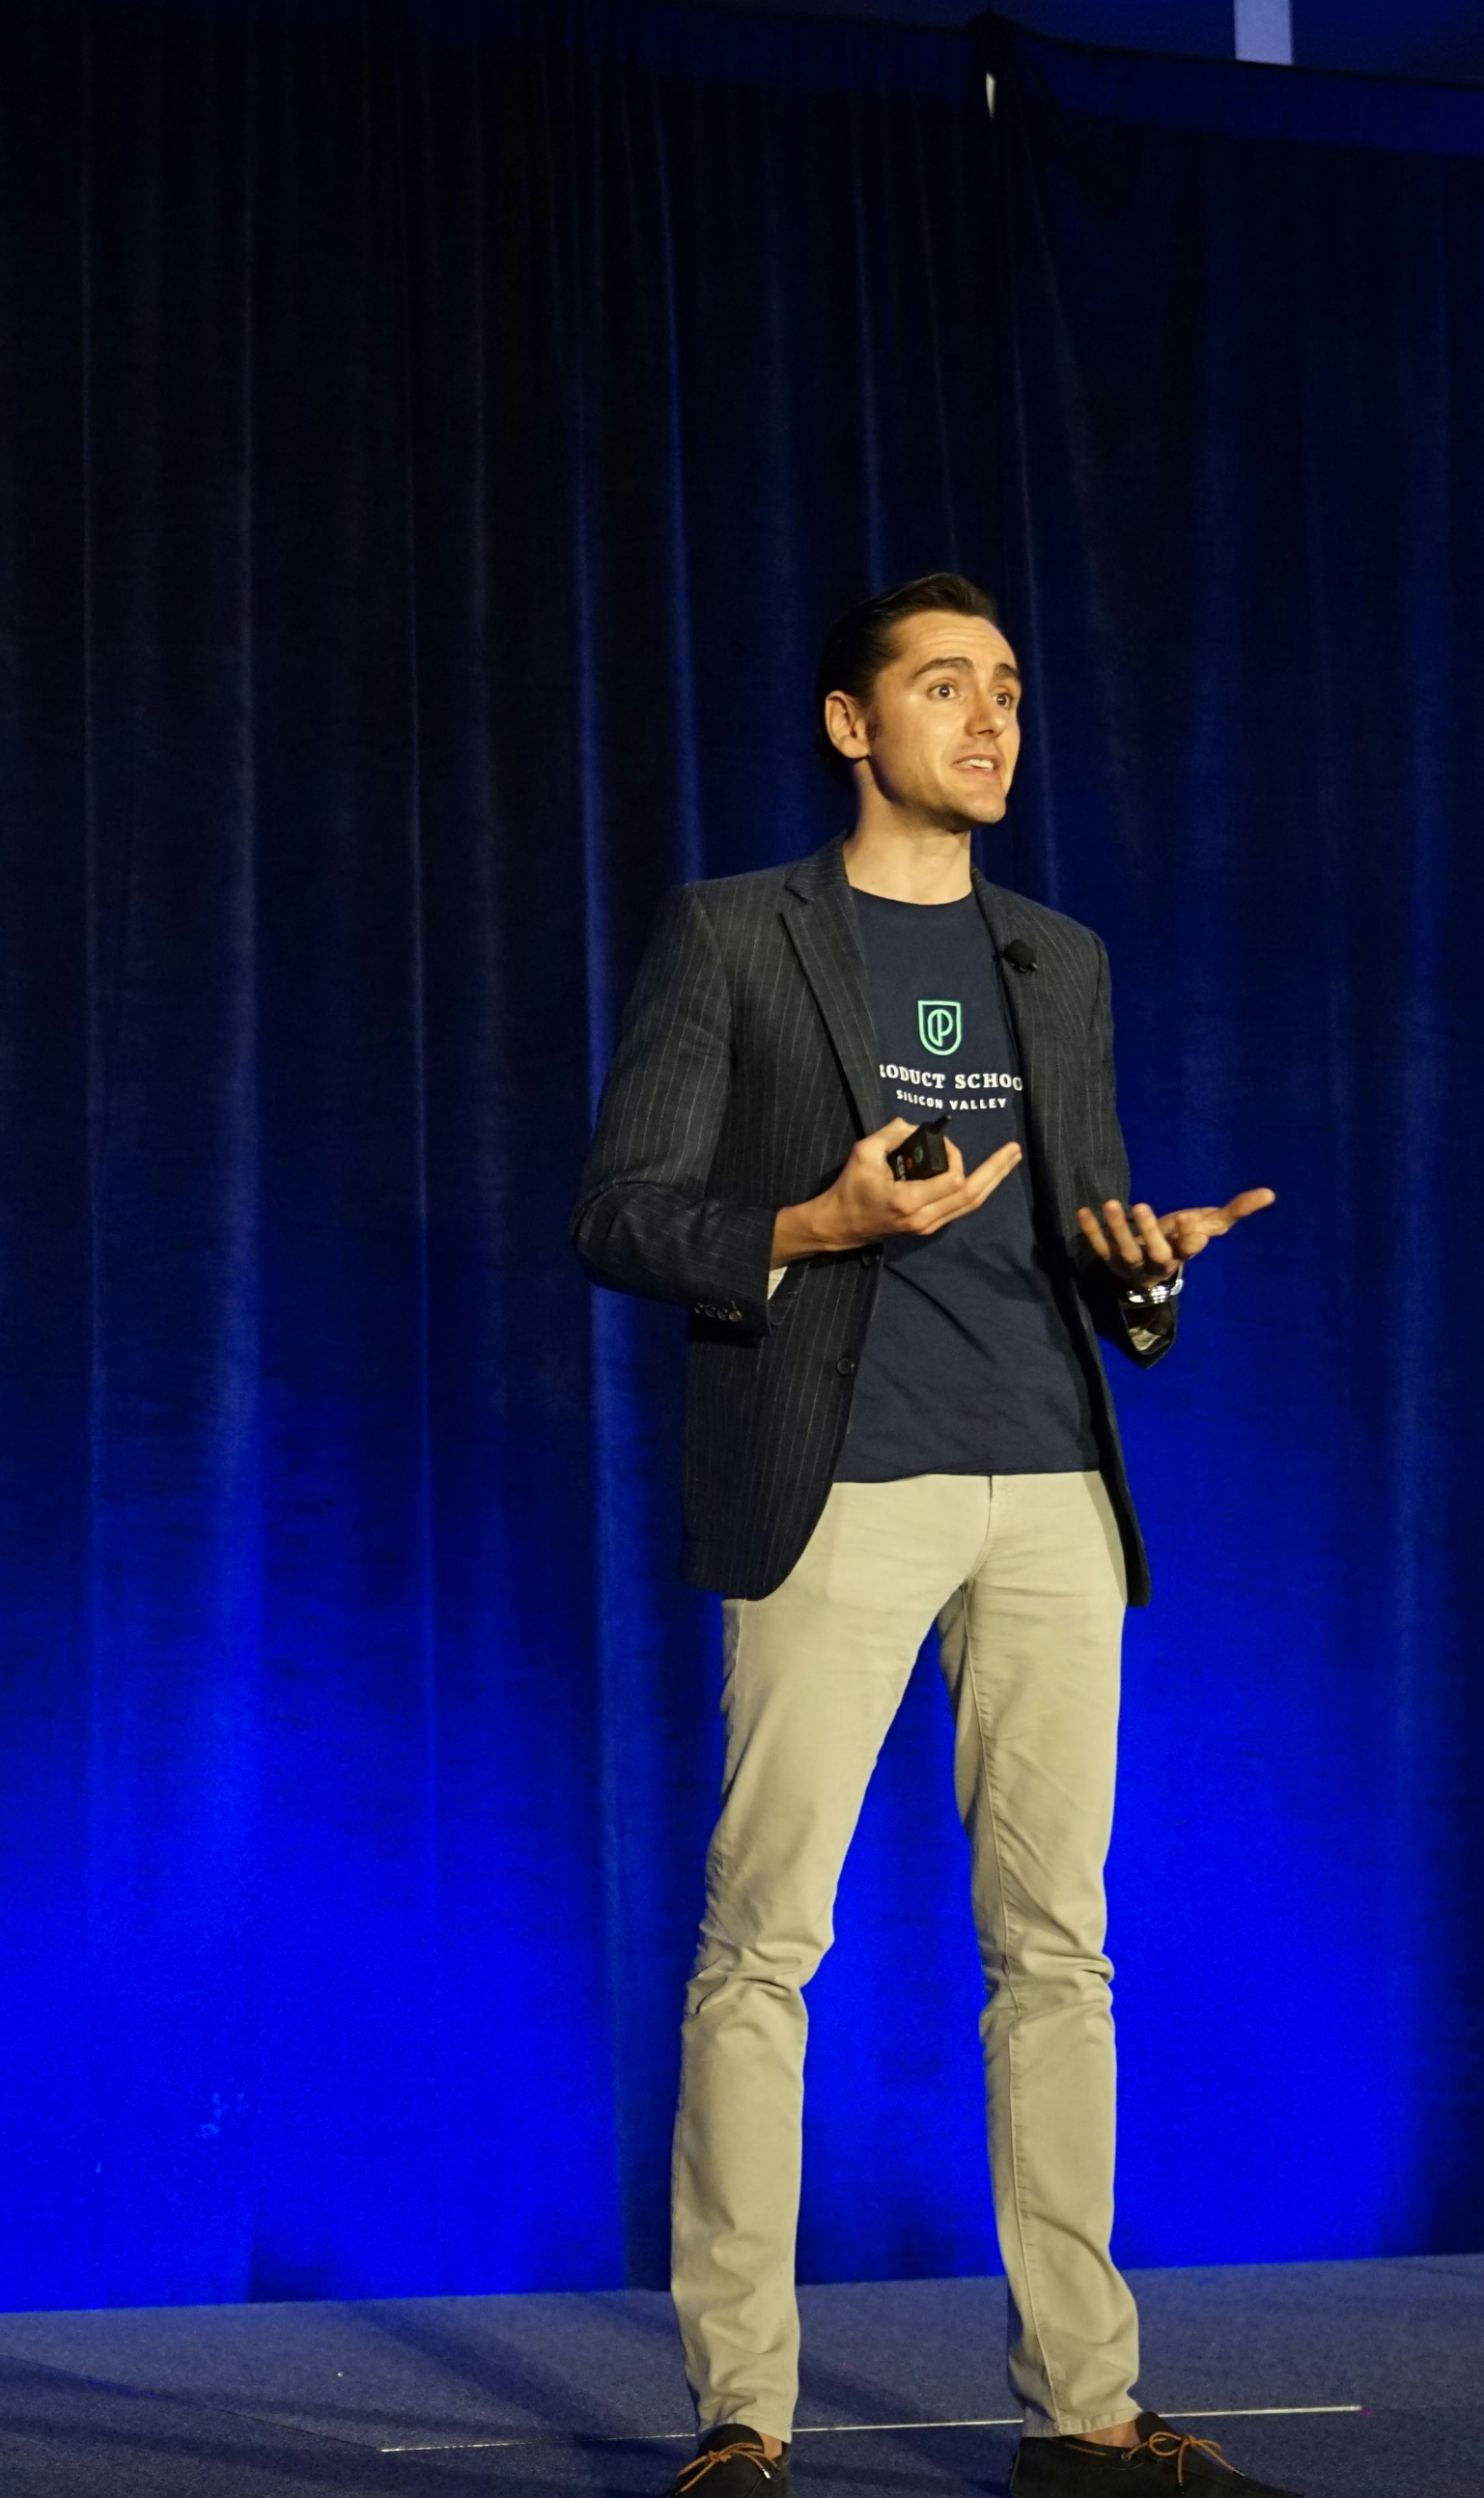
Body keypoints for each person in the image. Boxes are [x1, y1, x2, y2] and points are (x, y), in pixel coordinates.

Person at [571, 575, 1286, 2498]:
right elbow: (622, 1213)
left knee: (1056, 1948)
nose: (986, 721)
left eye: (1008, 693)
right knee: (761, 1951)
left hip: (1048, 1486)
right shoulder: (733, 936)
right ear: (845, 722)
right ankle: (742, 2415)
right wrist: (809, 1227)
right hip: (834, 1481)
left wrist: (1143, 1279)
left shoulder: (1054, 955)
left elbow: (1087, 1238)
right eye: (942, 686)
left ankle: (1083, 2410)